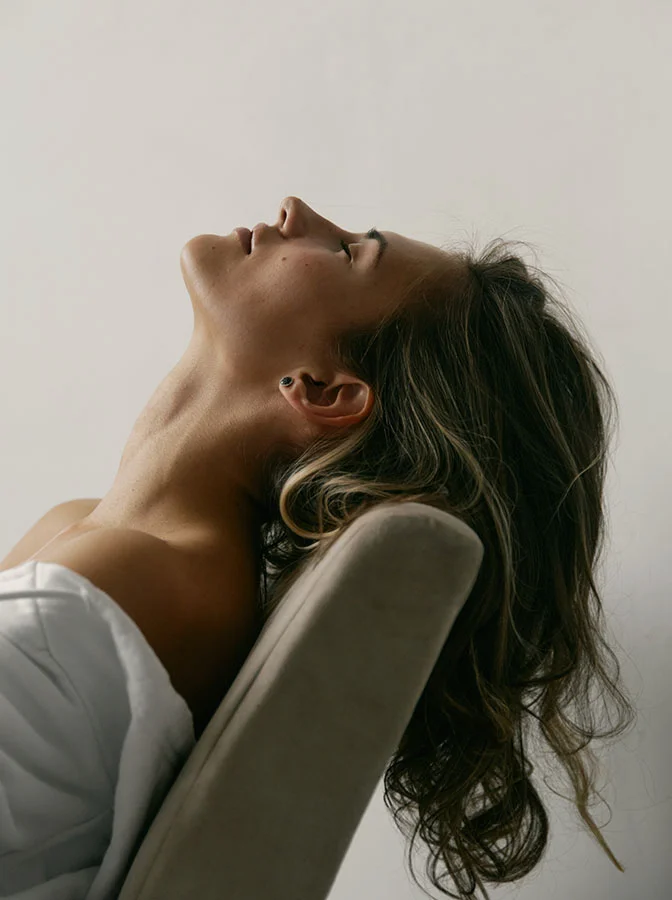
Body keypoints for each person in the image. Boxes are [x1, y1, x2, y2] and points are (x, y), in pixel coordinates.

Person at [8, 196, 636, 898]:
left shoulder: (153, 584)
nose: (295, 209)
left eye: (347, 252)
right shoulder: (96, 534)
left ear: (325, 391)